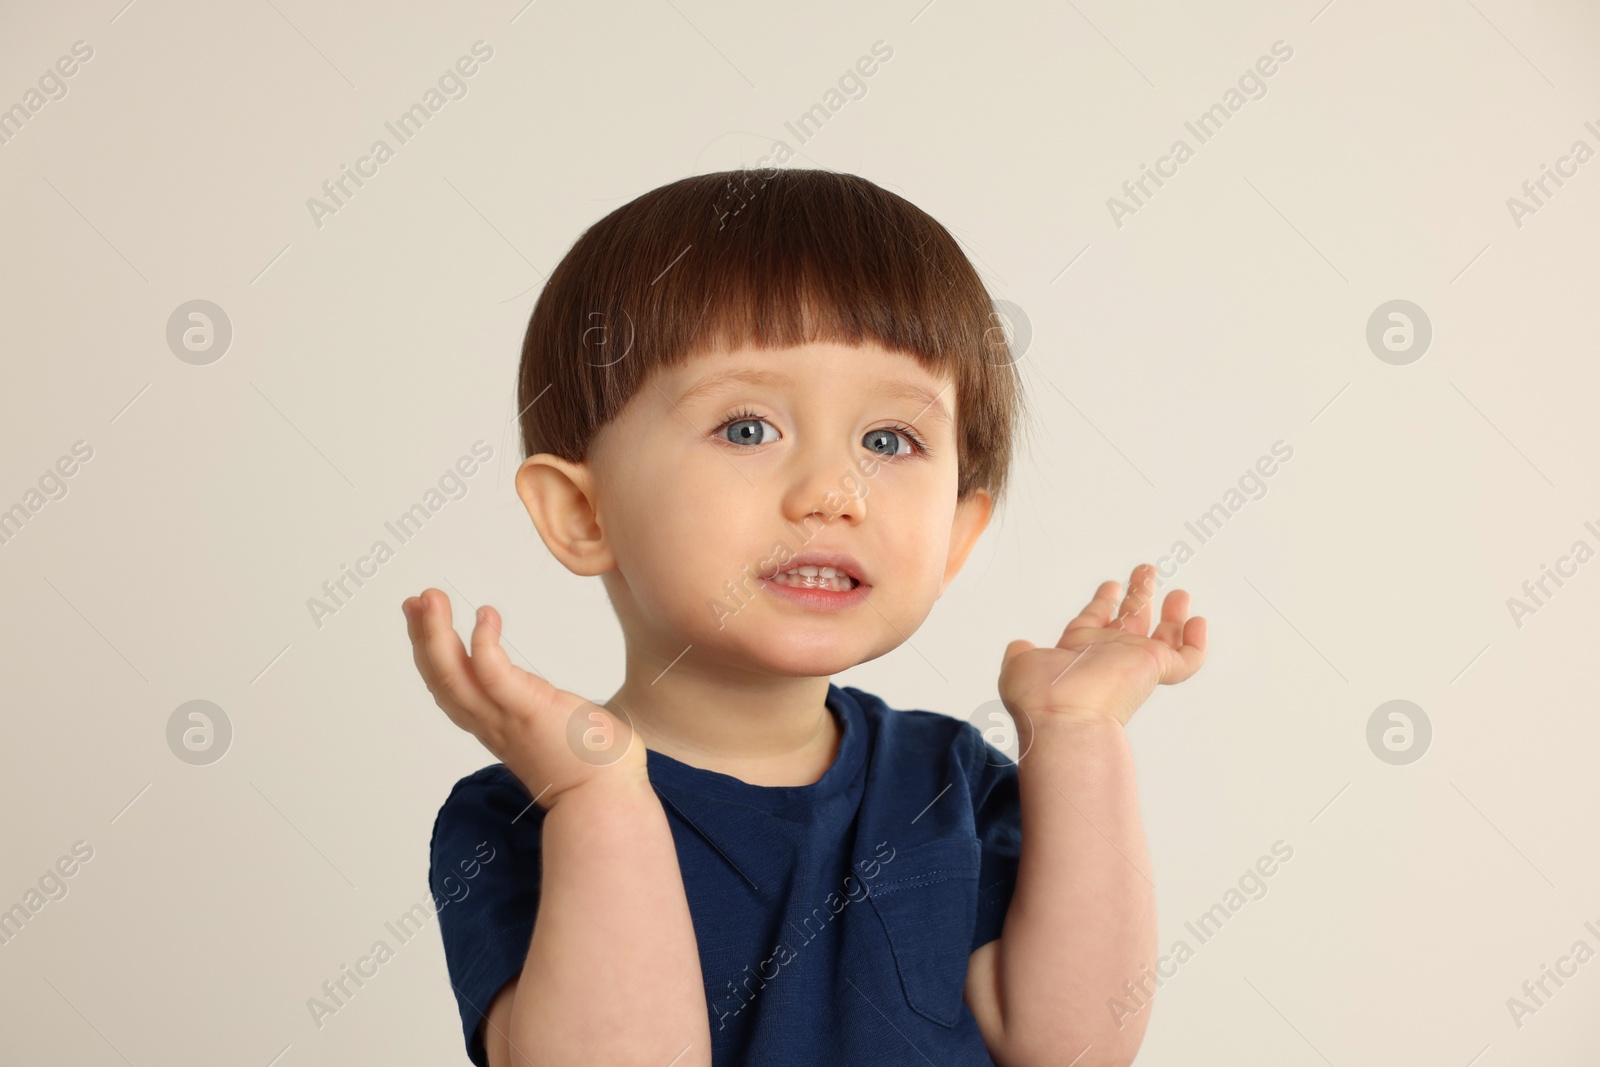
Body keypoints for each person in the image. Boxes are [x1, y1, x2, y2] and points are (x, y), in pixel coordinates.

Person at [406, 167, 1207, 1067]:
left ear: (956, 535)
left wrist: (1078, 732)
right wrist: (599, 798)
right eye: (748, 428)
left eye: (888, 440)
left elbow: (1072, 1049)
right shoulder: (519, 816)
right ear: (583, 513)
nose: (834, 491)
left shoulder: (955, 785)